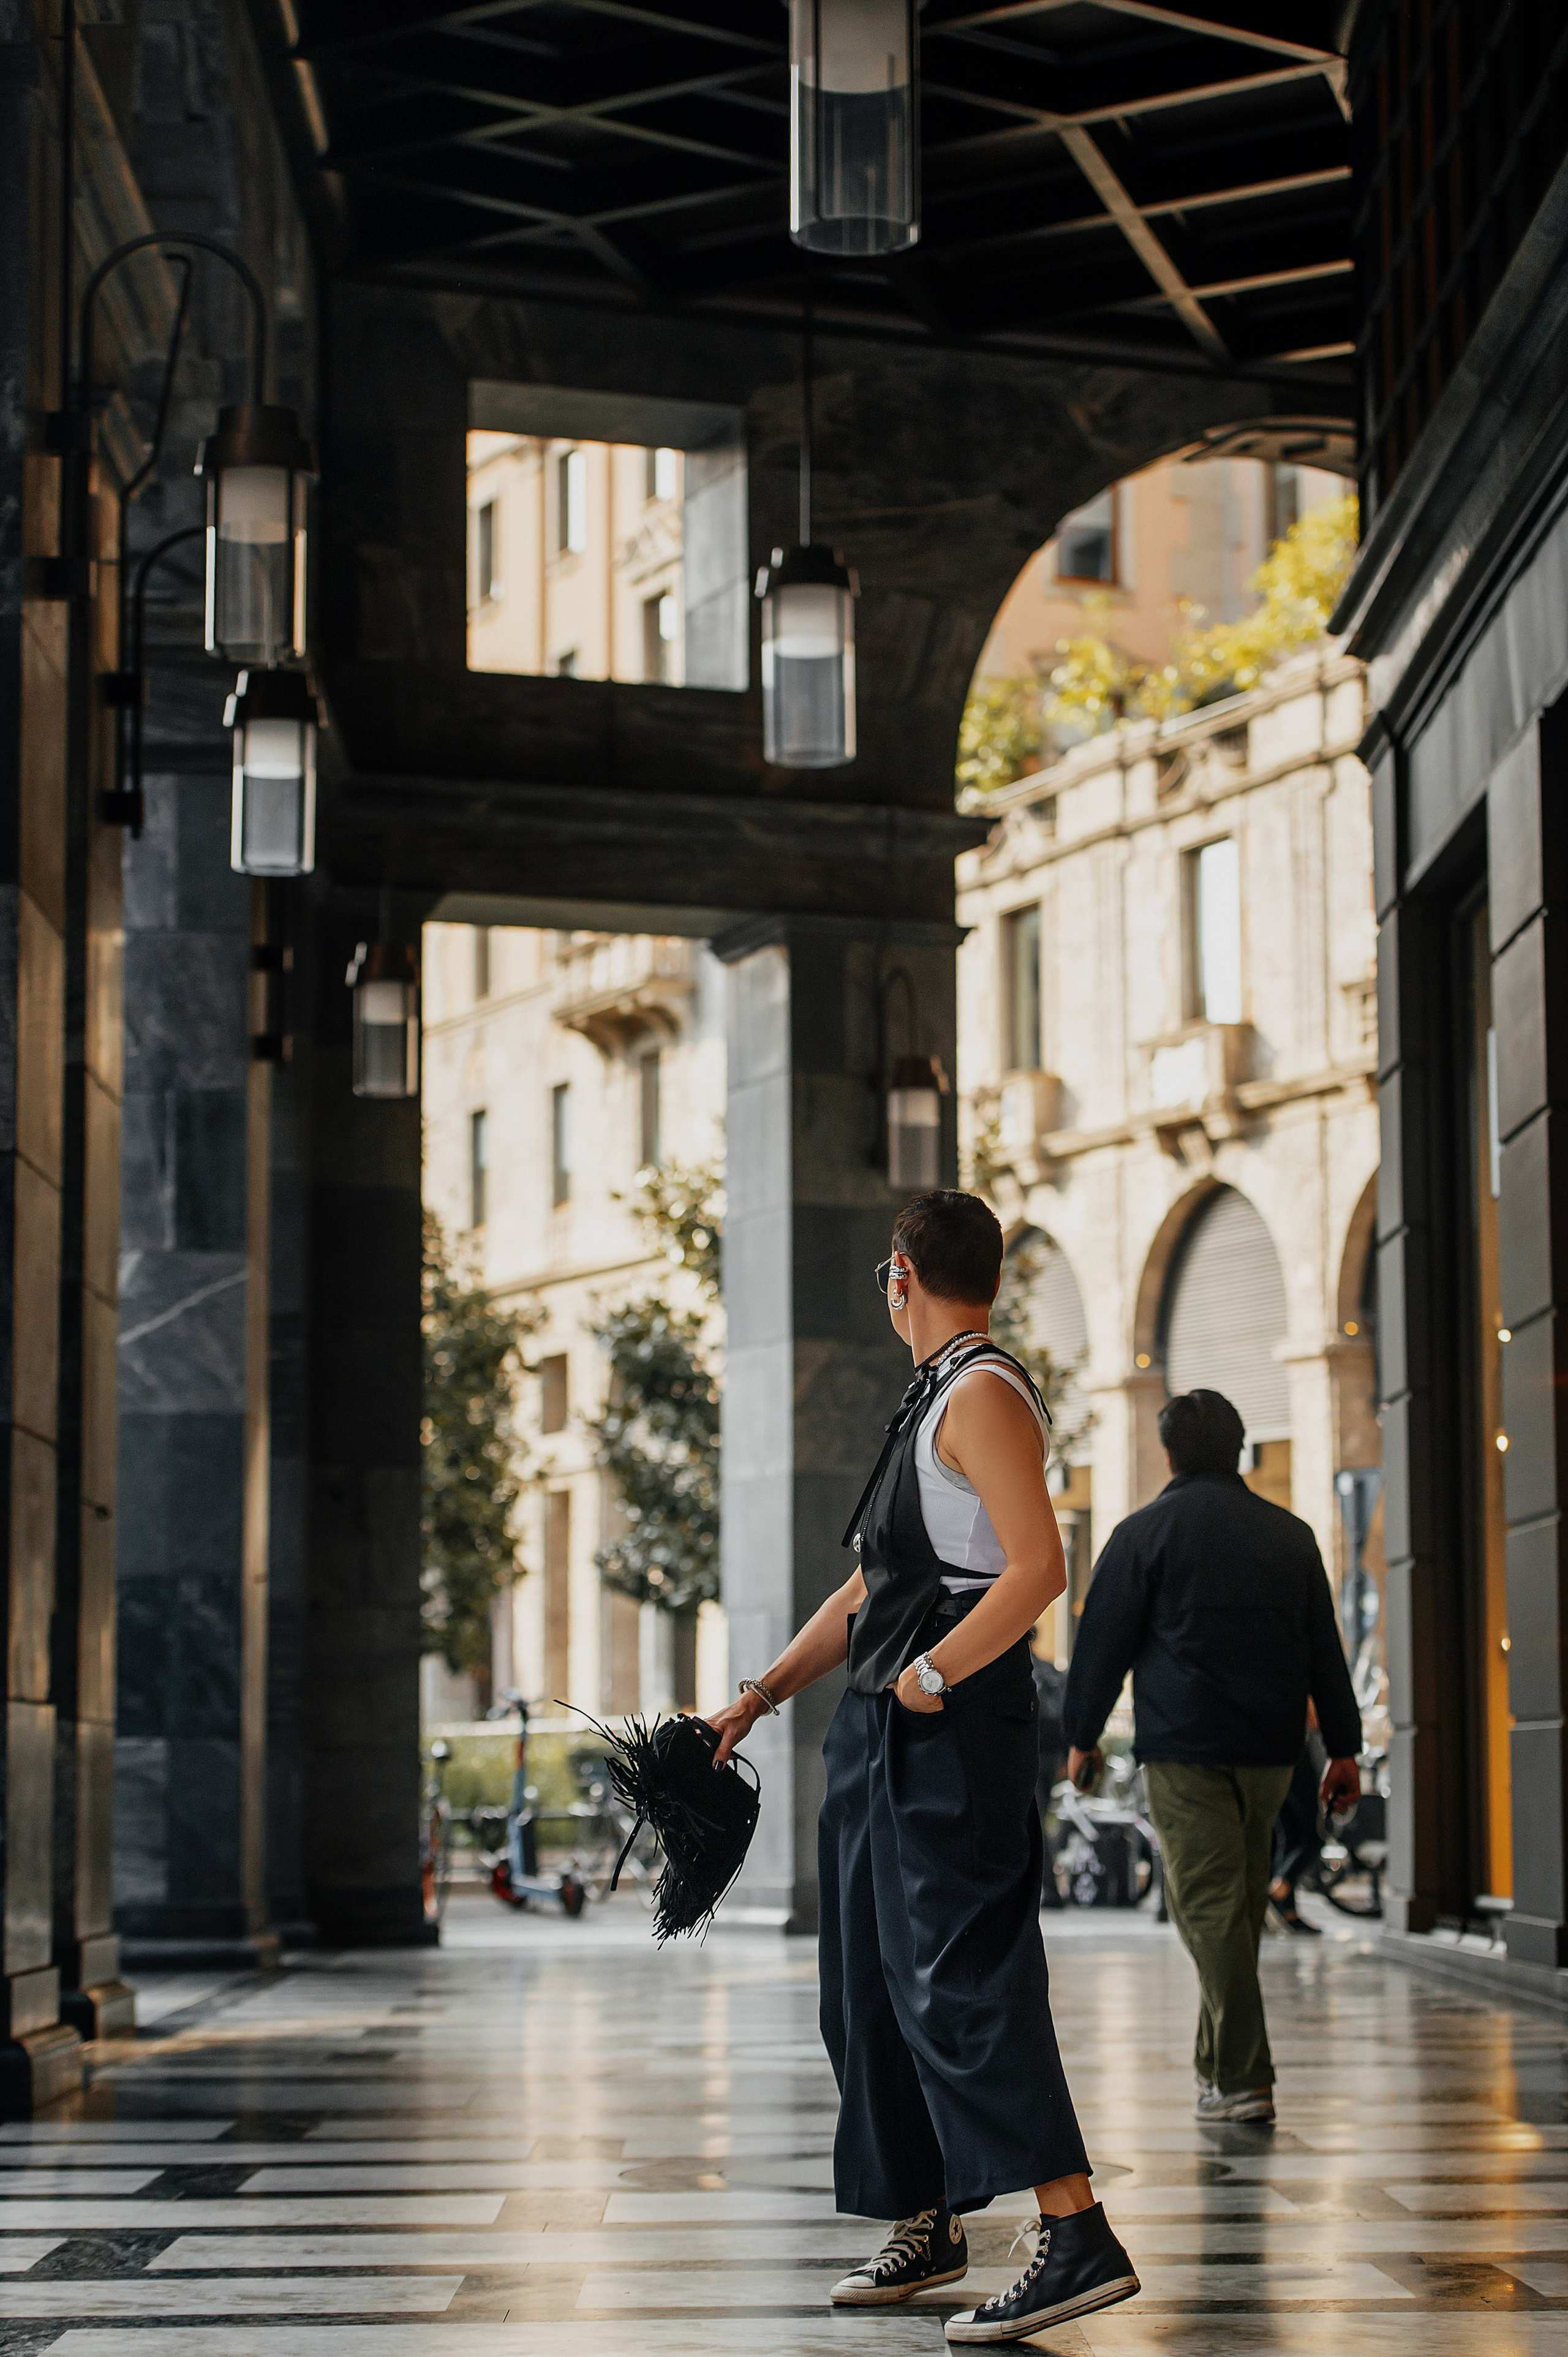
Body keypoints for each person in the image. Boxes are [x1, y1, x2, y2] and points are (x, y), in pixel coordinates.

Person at [707, 1191, 1139, 2345]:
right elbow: (868, 1593)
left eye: (883, 1271)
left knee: (964, 1976)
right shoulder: (934, 1393)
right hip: (882, 1726)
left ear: (903, 1272)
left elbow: (1041, 1567)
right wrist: (755, 1698)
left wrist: (935, 1675)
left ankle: (1076, 2229)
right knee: (867, 1984)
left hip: (946, 1726)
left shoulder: (985, 1392)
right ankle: (932, 2213)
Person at [1063, 1388, 1361, 2126]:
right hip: (1272, 1753)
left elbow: (1101, 1646)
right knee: (1231, 1909)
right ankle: (1216, 2069)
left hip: (1186, 1749)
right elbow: (1326, 1647)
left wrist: (1081, 1735)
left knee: (1208, 1908)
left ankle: (1244, 2077)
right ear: (1238, 1447)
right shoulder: (1289, 1535)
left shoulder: (1142, 1534)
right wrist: (1343, 1748)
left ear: (1168, 1452)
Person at [1268, 1713, 1327, 1936]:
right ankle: (1279, 1888)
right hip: (1293, 1752)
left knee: (1288, 1836)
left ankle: (1288, 1911)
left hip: (1269, 1757)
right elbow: (1314, 1718)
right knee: (1313, 1836)